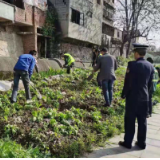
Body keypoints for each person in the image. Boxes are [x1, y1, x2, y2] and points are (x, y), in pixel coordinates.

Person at [119, 44, 154, 150]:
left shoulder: (132, 64)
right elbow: (150, 85)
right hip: (144, 98)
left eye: (134, 53)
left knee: (130, 120)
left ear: (137, 53)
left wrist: (124, 94)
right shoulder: (150, 66)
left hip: (133, 97)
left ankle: (128, 142)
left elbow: (128, 82)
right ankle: (141, 143)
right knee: (142, 121)